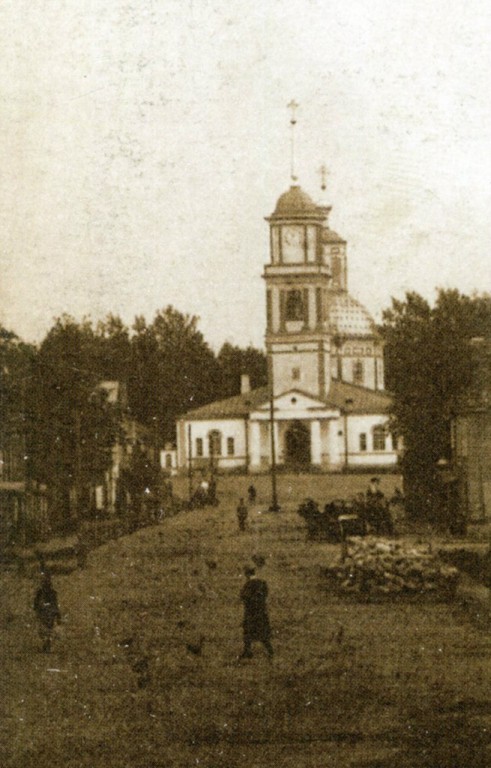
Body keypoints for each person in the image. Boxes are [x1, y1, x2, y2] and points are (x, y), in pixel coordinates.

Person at [239, 566, 273, 659]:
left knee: (247, 633)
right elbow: (265, 595)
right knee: (263, 634)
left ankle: (247, 652)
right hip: (261, 612)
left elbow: (243, 597)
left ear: (247, 575)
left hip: (251, 613)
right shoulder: (262, 583)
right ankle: (270, 651)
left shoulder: (248, 585)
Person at [33, 573, 61, 653]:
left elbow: (55, 604)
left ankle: (47, 642)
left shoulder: (51, 593)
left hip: (47, 613)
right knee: (46, 629)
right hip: (45, 613)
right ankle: (46, 642)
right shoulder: (41, 592)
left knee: (46, 629)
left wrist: (57, 614)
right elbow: (36, 604)